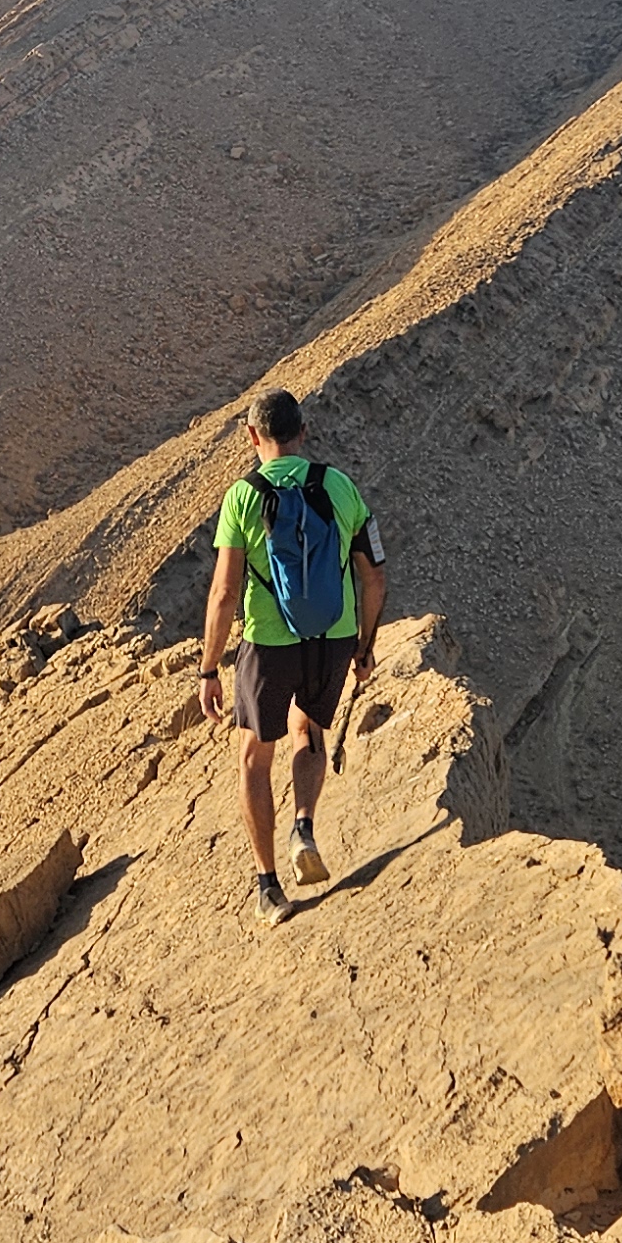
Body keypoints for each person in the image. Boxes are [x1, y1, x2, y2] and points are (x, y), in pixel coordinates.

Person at [193, 387, 386, 925]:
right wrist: (364, 647)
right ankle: (304, 824)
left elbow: (224, 594)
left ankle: (269, 886)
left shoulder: (243, 497)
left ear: (253, 437)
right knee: (310, 733)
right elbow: (374, 576)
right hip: (332, 637)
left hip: (269, 643)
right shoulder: (340, 487)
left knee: (255, 756)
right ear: (303, 432)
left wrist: (209, 668)